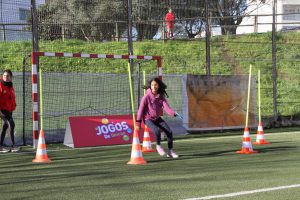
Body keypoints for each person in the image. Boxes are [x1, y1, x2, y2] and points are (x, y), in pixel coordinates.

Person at [136, 77, 182, 158]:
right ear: (150, 86)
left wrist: (174, 113)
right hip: (148, 119)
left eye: (156, 85)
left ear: (158, 86)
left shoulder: (161, 97)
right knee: (157, 131)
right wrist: (138, 123)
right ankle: (158, 146)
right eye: (152, 85)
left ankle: (170, 151)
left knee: (169, 132)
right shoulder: (146, 97)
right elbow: (140, 110)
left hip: (157, 118)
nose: (154, 86)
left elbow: (167, 108)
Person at [0, 69, 19, 153]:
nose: (5, 77)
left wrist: (13, 106)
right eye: (4, 75)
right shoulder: (0, 85)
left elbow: (11, 99)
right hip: (2, 110)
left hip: (9, 110)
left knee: (5, 126)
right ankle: (13, 145)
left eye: (7, 76)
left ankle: (0, 146)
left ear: (11, 77)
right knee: (11, 124)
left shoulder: (10, 86)